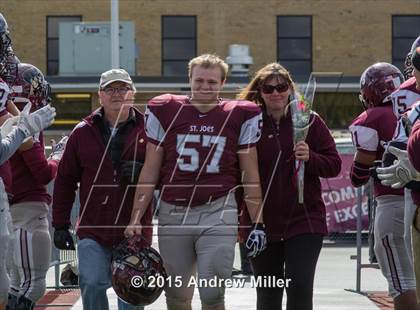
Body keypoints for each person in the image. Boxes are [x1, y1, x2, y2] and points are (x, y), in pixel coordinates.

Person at [124, 54, 266, 310]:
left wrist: (257, 222)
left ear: (222, 83)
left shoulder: (239, 114)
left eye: (212, 81)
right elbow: (150, 169)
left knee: (212, 293)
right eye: (199, 80)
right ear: (189, 79)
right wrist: (136, 217)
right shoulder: (166, 109)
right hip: (173, 210)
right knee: (177, 296)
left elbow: (250, 173)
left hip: (218, 210)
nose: (205, 86)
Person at [236, 63, 341, 310]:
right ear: (259, 92)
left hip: (305, 220)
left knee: (300, 289)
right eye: (268, 88)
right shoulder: (249, 124)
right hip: (262, 223)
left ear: (290, 89)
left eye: (281, 87)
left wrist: (311, 157)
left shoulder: (309, 121)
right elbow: (237, 174)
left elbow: (334, 165)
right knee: (268, 294)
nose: (275, 93)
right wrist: (243, 222)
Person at [52, 68, 152, 310]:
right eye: (110, 89)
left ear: (133, 93)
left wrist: (145, 173)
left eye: (123, 88)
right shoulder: (82, 132)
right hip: (93, 229)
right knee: (92, 283)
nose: (117, 94)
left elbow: (166, 173)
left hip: (134, 229)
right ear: (100, 95)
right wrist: (60, 225)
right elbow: (65, 180)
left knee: (131, 296)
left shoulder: (150, 130)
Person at [349, 62, 418, 310]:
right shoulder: (414, 108)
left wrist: (369, 168)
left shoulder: (373, 118)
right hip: (417, 201)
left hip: (394, 202)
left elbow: (358, 175)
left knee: (402, 282)